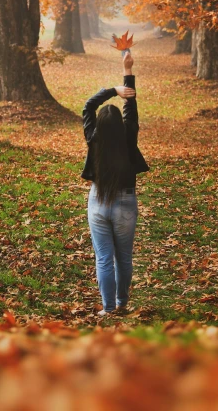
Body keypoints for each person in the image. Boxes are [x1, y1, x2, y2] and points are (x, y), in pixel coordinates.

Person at [81, 49, 149, 316]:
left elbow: (88, 106)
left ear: (98, 123)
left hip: (98, 201)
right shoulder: (128, 133)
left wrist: (112, 90)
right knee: (124, 258)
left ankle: (108, 309)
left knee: (103, 259)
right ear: (120, 124)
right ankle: (122, 304)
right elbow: (131, 108)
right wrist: (128, 72)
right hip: (125, 201)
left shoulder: (93, 137)